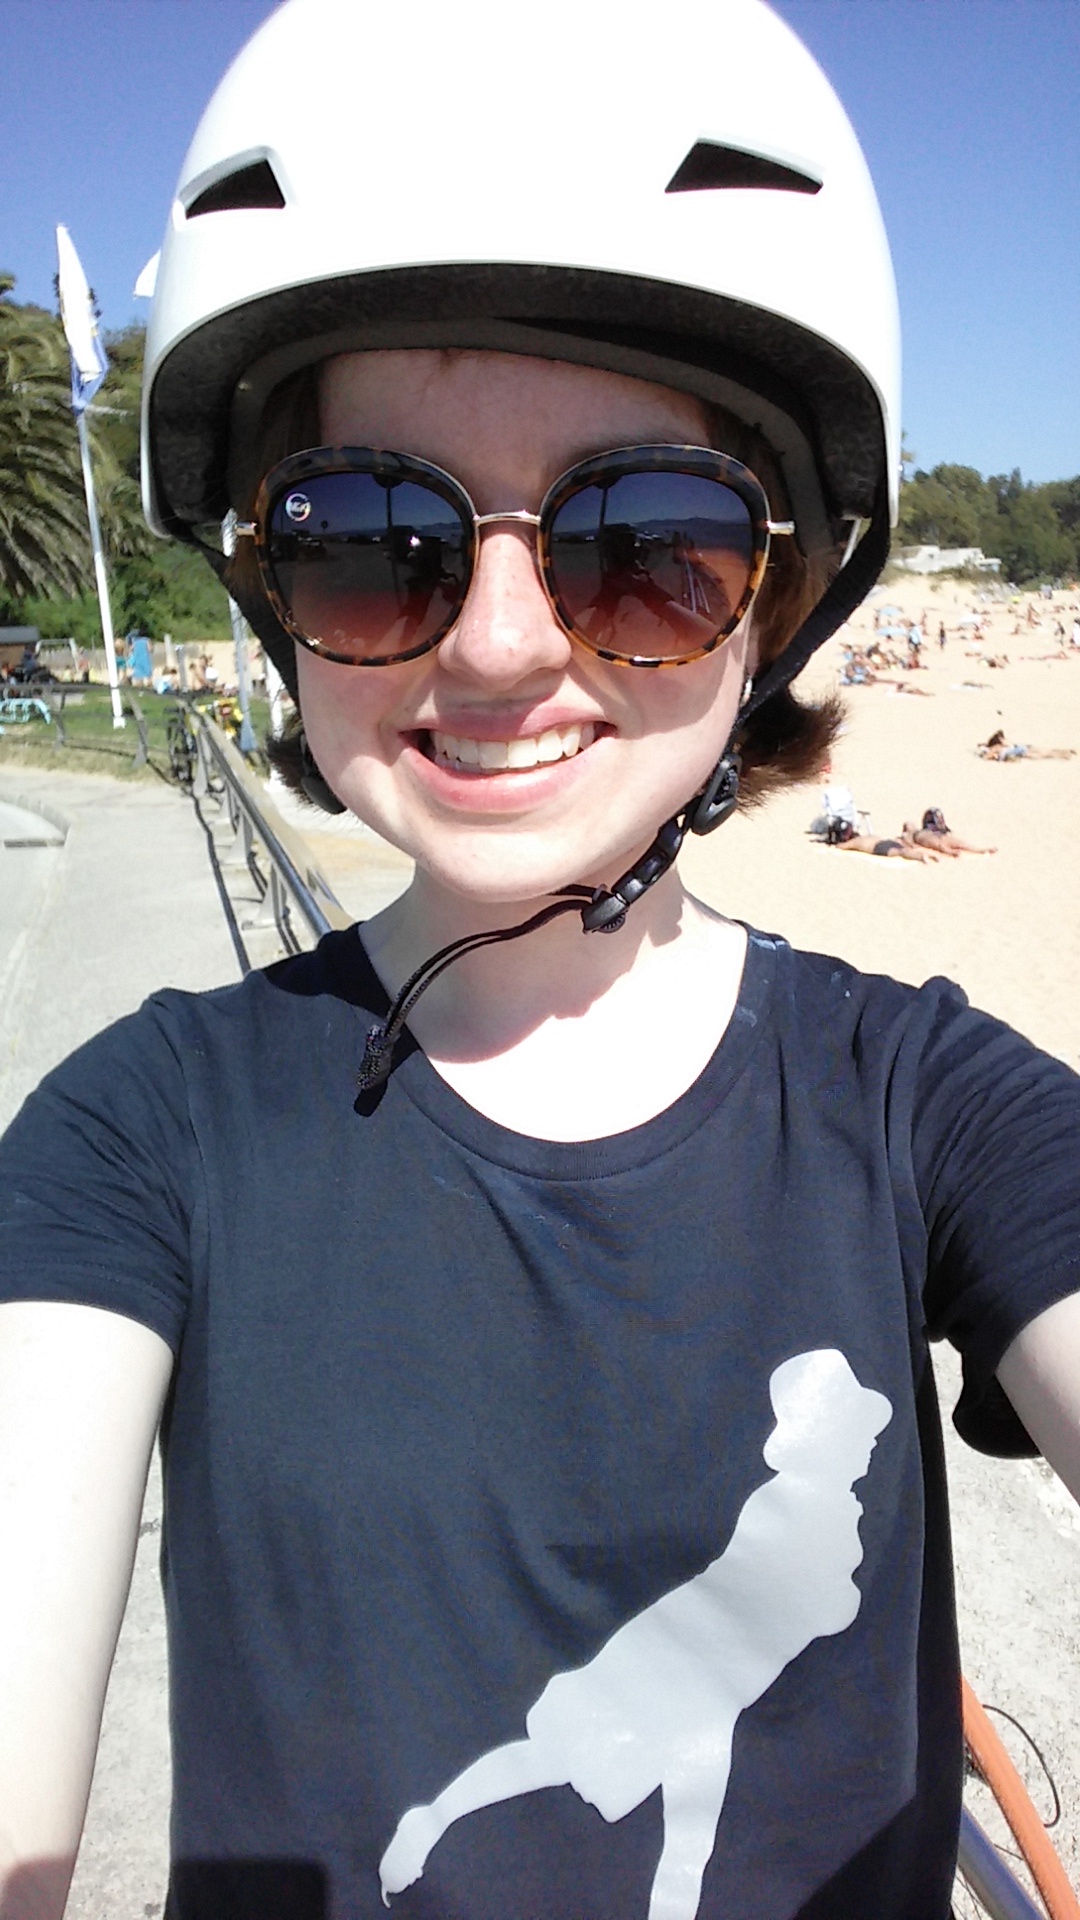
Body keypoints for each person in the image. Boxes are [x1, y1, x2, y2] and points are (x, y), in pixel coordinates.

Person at [2, 6, 1079, 1920]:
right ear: (265, 584)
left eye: (644, 544)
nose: (499, 649)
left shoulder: (927, 1109)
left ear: (787, 594)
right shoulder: (134, 1140)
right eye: (372, 539)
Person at [902, 809, 996, 856]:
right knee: (946, 843)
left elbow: (910, 844)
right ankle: (979, 850)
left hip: (932, 836)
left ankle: (980, 850)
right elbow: (910, 844)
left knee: (955, 843)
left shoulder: (915, 833)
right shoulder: (910, 834)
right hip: (931, 837)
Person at [978, 728, 1076, 761]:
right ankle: (1066, 753)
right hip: (1025, 748)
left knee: (1045, 754)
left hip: (1024, 751)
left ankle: (1065, 754)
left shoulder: (999, 747)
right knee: (1046, 753)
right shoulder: (1002, 745)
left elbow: (987, 756)